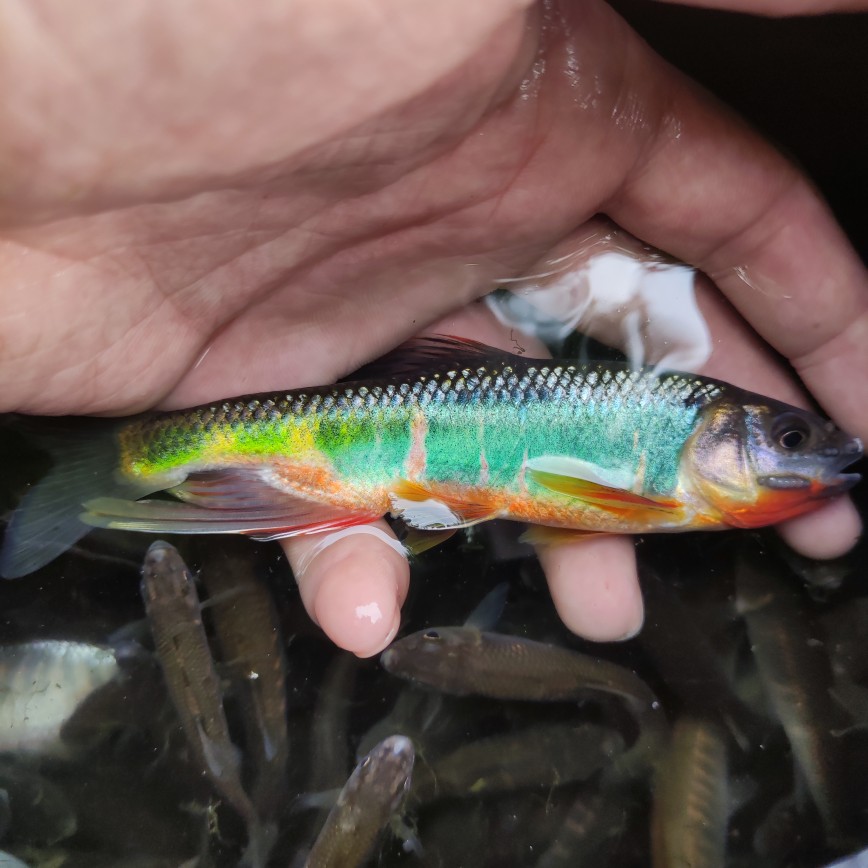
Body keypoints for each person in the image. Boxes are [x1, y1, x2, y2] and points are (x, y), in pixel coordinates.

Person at [1, 0, 865, 656]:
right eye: (789, 435)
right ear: (722, 431)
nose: (812, 452)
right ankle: (130, 455)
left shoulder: (680, 478)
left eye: (797, 438)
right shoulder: (672, 480)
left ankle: (137, 459)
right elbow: (571, 510)